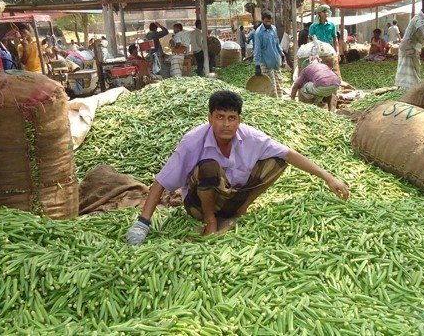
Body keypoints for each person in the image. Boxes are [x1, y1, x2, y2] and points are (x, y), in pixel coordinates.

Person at [125, 90, 350, 244]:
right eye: (220, 117)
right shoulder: (193, 141)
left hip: (232, 197)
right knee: (209, 166)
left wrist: (328, 177)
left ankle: (241, 209)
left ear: (239, 119)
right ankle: (211, 220)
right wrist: (143, 223)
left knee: (277, 160)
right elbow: (161, 182)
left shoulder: (250, 136)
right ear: (210, 118)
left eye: (231, 118)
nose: (226, 124)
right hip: (198, 205)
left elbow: (290, 153)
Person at [395, 0, 424, 89]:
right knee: (408, 72)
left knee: (412, 69)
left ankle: (406, 90)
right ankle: (406, 91)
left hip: (413, 48)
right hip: (408, 49)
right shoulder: (418, 19)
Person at [253, 11, 288, 98]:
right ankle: (274, 103)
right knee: (271, 85)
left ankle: (280, 101)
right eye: (266, 21)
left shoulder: (273, 29)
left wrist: (282, 54)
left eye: (270, 21)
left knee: (279, 82)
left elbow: (276, 43)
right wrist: (257, 65)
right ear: (262, 20)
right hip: (265, 62)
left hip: (275, 60)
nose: (268, 23)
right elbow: (257, 50)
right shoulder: (258, 33)